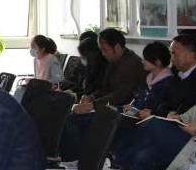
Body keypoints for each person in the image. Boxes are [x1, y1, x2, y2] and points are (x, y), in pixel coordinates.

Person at [97, 42, 176, 170]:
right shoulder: (148, 79)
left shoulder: (167, 83)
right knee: (111, 123)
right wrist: (128, 108)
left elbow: (155, 108)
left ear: (157, 62)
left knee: (116, 132)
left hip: (145, 125)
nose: (142, 61)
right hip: (136, 118)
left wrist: (136, 110)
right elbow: (139, 101)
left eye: (146, 59)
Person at [59, 28, 145, 162]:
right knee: (69, 114)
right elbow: (105, 89)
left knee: (73, 119)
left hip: (123, 111)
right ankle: (72, 159)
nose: (103, 54)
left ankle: (75, 162)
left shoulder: (131, 64)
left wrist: (92, 105)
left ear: (116, 47)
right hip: (108, 106)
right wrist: (91, 97)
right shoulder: (114, 61)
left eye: (105, 50)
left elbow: (120, 95)